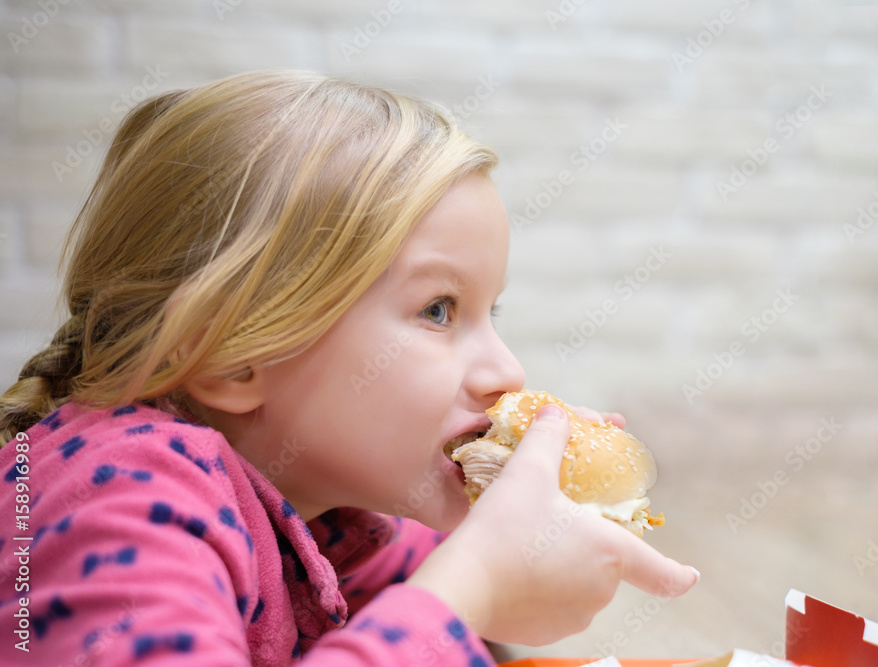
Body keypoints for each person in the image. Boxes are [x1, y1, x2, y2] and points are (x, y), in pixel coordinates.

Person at [0, 70, 698, 665]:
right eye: (438, 310)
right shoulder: (118, 498)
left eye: (492, 312)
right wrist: (476, 581)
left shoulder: (330, 505)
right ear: (237, 356)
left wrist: (526, 546)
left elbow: (428, 598)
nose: (507, 371)